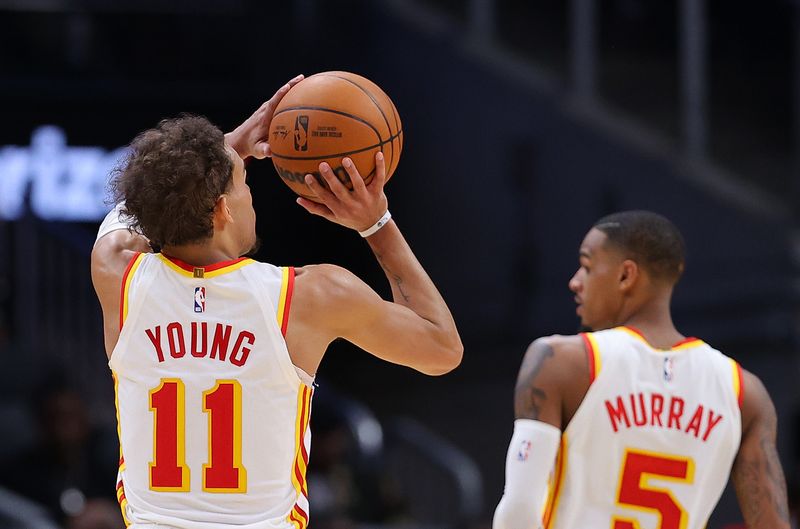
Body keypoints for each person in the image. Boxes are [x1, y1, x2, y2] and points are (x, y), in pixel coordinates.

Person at [90, 74, 463, 529]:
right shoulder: (308, 296)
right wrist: (376, 222)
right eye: (244, 183)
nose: (251, 196)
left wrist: (223, 153)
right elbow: (443, 349)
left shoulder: (117, 276)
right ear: (222, 210)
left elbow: (131, 209)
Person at [492, 211, 789, 529]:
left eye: (588, 267)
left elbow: (520, 508)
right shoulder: (745, 392)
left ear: (626, 276)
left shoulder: (561, 361)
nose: (575, 281)